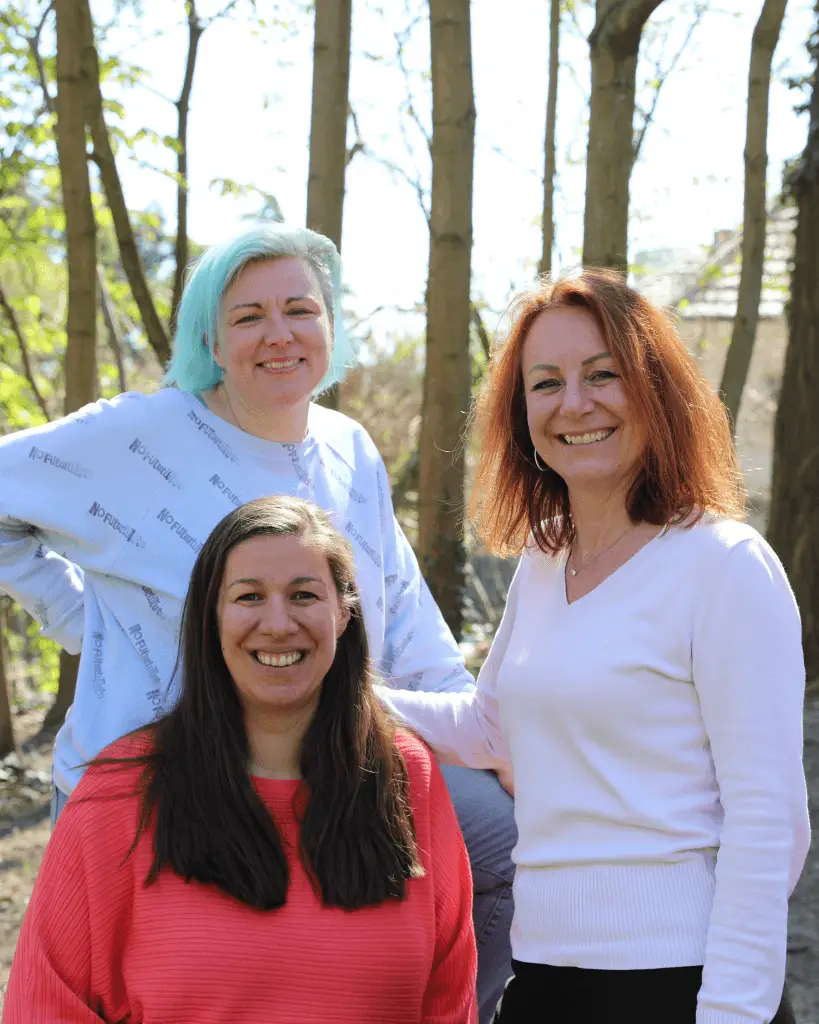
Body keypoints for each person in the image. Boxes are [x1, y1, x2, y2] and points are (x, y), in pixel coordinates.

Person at [0, 223, 514, 1022]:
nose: (278, 335)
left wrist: (476, 735)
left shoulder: (349, 448)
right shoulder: (138, 435)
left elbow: (402, 616)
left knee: (502, 840)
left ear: (331, 328)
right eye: (247, 317)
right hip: (153, 777)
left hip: (326, 761)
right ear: (211, 335)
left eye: (299, 310)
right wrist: (88, 621)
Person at [378, 270, 810, 1024]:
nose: (573, 403)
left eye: (601, 374)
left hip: (678, 982)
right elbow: (489, 728)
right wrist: (348, 694)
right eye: (545, 383)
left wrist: (732, 1014)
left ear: (654, 389)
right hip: (541, 973)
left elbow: (766, 822)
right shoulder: (546, 560)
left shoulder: (723, 565)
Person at [3, 496, 478, 1023]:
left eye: (304, 595)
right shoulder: (120, 795)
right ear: (212, 617)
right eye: (249, 597)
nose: (278, 623)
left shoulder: (407, 777)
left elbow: (448, 1000)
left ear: (343, 614)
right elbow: (43, 1006)